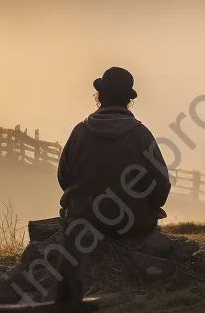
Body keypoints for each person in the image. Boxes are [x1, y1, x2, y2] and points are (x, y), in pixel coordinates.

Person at [57, 67, 171, 240]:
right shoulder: (141, 134)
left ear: (100, 96)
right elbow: (160, 187)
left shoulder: (80, 132)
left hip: (84, 221)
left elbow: (64, 177)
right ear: (128, 100)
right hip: (132, 225)